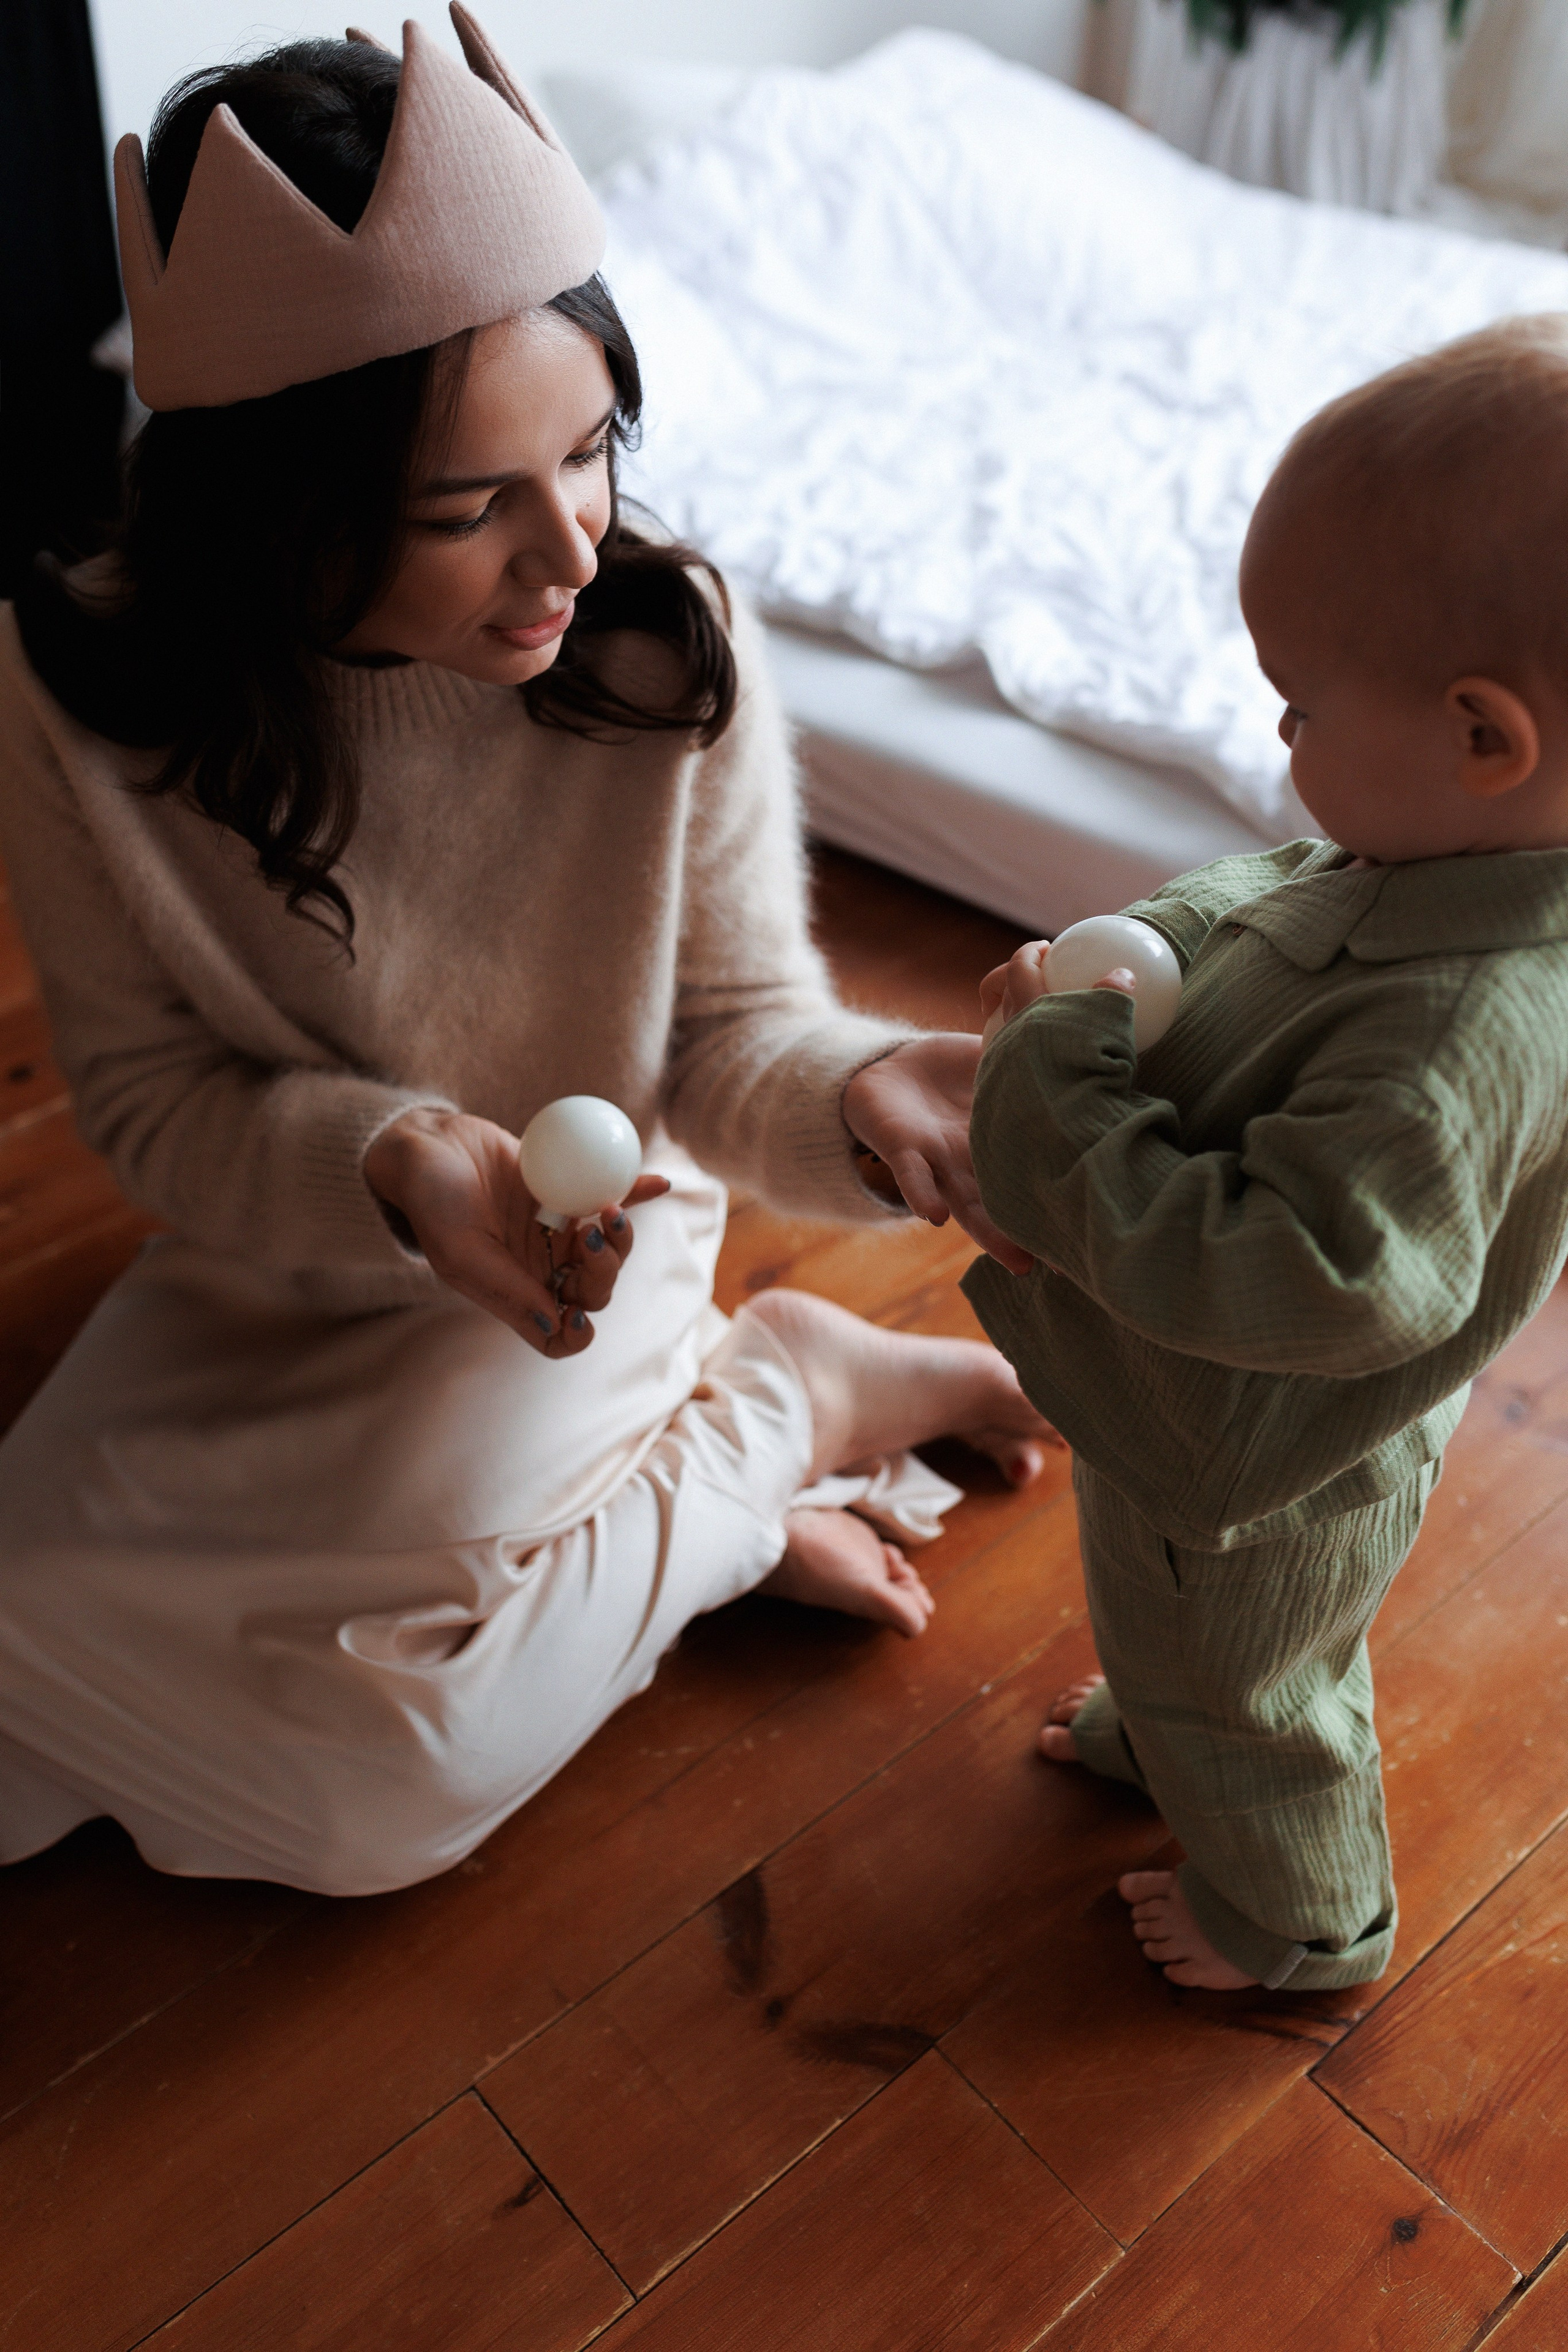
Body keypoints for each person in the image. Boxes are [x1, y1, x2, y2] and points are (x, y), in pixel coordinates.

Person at [0, 10, 1054, 1896]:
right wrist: (398, 1164)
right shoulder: (83, 695)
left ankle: (783, 1397)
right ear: (277, 520)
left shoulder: (662, 649)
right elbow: (159, 1104)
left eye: (592, 450)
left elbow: (732, 1038)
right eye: (468, 506)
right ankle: (700, 1531)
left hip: (587, 1263)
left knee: (378, 1782)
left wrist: (862, 1089)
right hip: (289, 1268)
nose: (568, 550)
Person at [966, 316, 1568, 1991]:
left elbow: (1298, 1272)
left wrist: (1054, 1093)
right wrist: (1127, 941)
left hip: (1258, 1466)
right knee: (1160, 1635)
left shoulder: (1464, 1037)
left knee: (1254, 1685)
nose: (1281, 745)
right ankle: (1170, 1741)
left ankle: (1300, 1916)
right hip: (1176, 1414)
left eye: (1299, 706)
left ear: (1484, 733)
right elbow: (1270, 886)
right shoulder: (1444, 843)